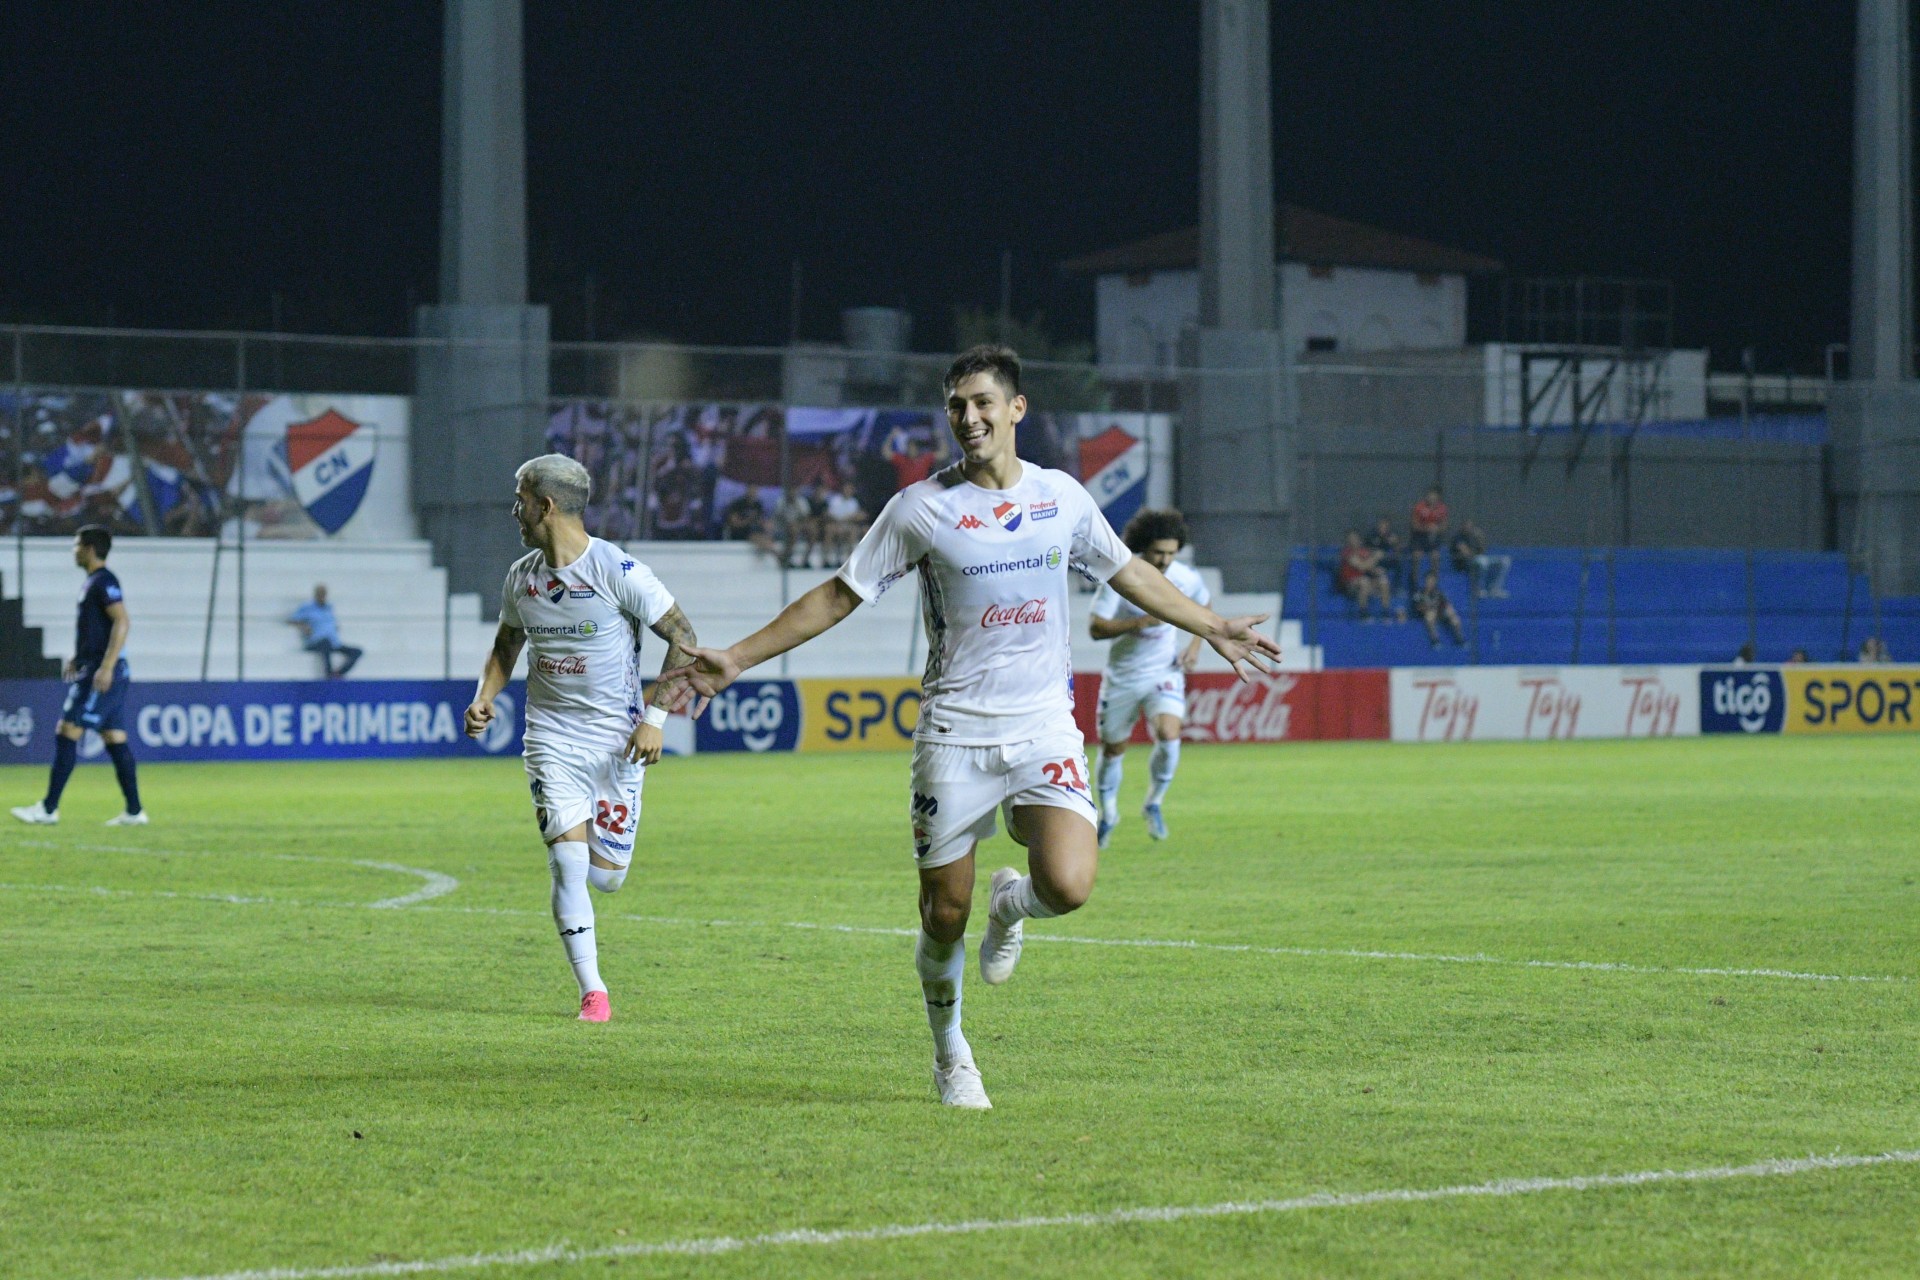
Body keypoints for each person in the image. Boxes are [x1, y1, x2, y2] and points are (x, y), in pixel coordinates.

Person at [657, 345, 1280, 1109]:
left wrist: (1211, 623)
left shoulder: (1062, 499)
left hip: (1045, 724)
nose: (969, 417)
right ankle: (950, 1053)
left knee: (1070, 884)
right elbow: (839, 594)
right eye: (956, 405)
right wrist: (740, 658)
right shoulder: (921, 508)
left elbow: (1129, 574)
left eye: (983, 402)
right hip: (954, 732)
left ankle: (1010, 905)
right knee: (942, 913)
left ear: (1017, 409)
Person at [464, 454, 705, 1025]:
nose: (513, 511)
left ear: (545, 506)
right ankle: (593, 992)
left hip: (617, 743)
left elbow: (685, 637)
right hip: (551, 739)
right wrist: (486, 696)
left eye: (520, 499)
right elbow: (506, 646)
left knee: (608, 877)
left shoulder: (617, 572)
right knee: (568, 867)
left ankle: (602, 891)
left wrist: (655, 718)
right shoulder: (521, 577)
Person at [1088, 509, 1208, 848]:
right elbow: (1096, 628)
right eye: (1159, 552)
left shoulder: (1184, 577)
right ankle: (1108, 814)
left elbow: (1205, 602)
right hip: (1123, 677)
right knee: (1113, 748)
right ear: (1144, 547)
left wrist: (1196, 646)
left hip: (1164, 671)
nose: (1166, 559)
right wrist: (1138, 623)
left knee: (1169, 733)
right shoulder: (1122, 577)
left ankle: (1153, 802)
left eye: (1171, 552)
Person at [12, 524, 145, 826]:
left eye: (76, 545)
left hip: (103, 672)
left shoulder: (104, 581)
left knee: (67, 730)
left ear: (88, 548)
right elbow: (97, 628)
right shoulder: (94, 582)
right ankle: (135, 812)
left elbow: (122, 621)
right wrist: (80, 657)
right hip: (97, 666)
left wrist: (106, 666)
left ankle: (48, 809)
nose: (73, 551)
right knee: (114, 736)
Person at [287, 584, 363, 678]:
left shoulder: (329, 608)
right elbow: (292, 620)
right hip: (316, 642)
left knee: (357, 651)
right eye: (320, 594)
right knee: (325, 643)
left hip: (333, 642)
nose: (322, 596)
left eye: (323, 594)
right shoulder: (308, 608)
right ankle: (328, 673)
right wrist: (303, 626)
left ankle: (339, 673)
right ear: (315, 595)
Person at [1338, 529, 1393, 620]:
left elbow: (1369, 567)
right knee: (1364, 581)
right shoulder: (1346, 553)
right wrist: (1375, 557)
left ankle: (1385, 612)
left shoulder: (1364, 551)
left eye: (1355, 539)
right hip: (1350, 584)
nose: (1354, 541)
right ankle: (1363, 612)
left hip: (1365, 579)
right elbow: (1361, 567)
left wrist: (1377, 570)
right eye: (1351, 539)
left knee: (1384, 581)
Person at [1449, 519, 1510, 598]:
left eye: (1470, 526)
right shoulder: (1458, 537)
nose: (1468, 528)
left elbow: (1483, 550)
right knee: (1482, 562)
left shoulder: (1473, 536)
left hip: (1477, 559)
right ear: (1462, 527)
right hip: (1462, 563)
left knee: (1504, 561)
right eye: (1466, 526)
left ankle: (1494, 589)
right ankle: (1478, 589)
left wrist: (1480, 537)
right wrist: (1476, 554)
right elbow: (1466, 553)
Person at [1411, 569, 1466, 648]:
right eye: (1429, 580)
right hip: (1424, 615)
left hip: (1438, 614)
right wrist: (1429, 609)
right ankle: (1435, 641)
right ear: (1425, 581)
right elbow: (1417, 607)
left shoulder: (1438, 593)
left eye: (1432, 581)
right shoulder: (1419, 593)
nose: (1430, 583)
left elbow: (1445, 605)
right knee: (1430, 616)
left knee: (1455, 618)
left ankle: (1460, 639)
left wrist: (1450, 612)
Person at [1409, 485, 1450, 585]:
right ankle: (1414, 582)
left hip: (1433, 537)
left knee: (1435, 556)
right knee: (1417, 556)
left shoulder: (1442, 508)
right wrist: (1426, 528)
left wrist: (1437, 528)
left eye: (1434, 497)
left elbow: (1445, 526)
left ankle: (1434, 582)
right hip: (1419, 537)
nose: (1432, 499)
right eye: (1430, 496)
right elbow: (1414, 525)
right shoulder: (1419, 507)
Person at [822, 479, 868, 561]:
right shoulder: (835, 500)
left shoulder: (854, 502)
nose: (848, 491)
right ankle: (826, 558)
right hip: (835, 524)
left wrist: (848, 519)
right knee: (829, 529)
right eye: (846, 489)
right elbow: (829, 514)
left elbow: (857, 516)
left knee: (853, 531)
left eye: (850, 489)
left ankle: (849, 558)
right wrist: (841, 520)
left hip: (848, 525)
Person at [1364, 516, 1402, 585]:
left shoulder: (1392, 537)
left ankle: (1397, 586)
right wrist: (1374, 552)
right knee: (1374, 557)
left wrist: (1395, 544)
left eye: (1386, 526)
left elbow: (1397, 552)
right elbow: (1365, 550)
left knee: (1398, 563)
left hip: (1387, 559)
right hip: (1373, 559)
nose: (1383, 528)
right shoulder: (1372, 536)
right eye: (1381, 525)